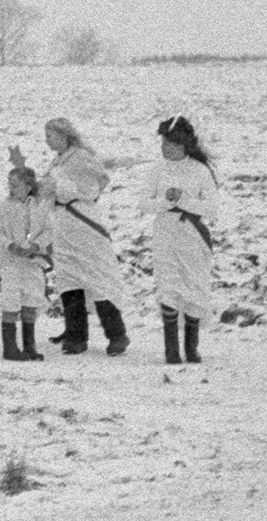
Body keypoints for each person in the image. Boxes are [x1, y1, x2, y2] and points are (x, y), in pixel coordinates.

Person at [41, 118, 129, 355]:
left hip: (82, 222)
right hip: (63, 225)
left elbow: (94, 186)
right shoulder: (57, 160)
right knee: (69, 278)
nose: (47, 141)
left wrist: (60, 190)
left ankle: (116, 334)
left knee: (96, 275)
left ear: (63, 136)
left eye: (50, 136)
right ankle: (76, 335)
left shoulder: (81, 157)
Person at [143, 115, 225, 364]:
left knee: (193, 286)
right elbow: (143, 203)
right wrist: (166, 202)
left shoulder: (200, 171)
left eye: (168, 144)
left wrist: (184, 201)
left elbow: (212, 208)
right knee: (168, 285)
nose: (163, 148)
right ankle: (171, 350)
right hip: (165, 233)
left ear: (182, 145)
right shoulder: (157, 170)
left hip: (191, 235)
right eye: (162, 143)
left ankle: (191, 347)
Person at [0, 160, 53, 361]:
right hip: (11, 263)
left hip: (32, 261)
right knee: (11, 299)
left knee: (31, 298)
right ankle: (9, 348)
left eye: (16, 185)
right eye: (10, 184)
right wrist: (10, 245)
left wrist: (36, 246)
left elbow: (48, 231)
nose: (12, 188)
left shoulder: (39, 207)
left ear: (28, 186)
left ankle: (29, 346)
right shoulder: (5, 207)